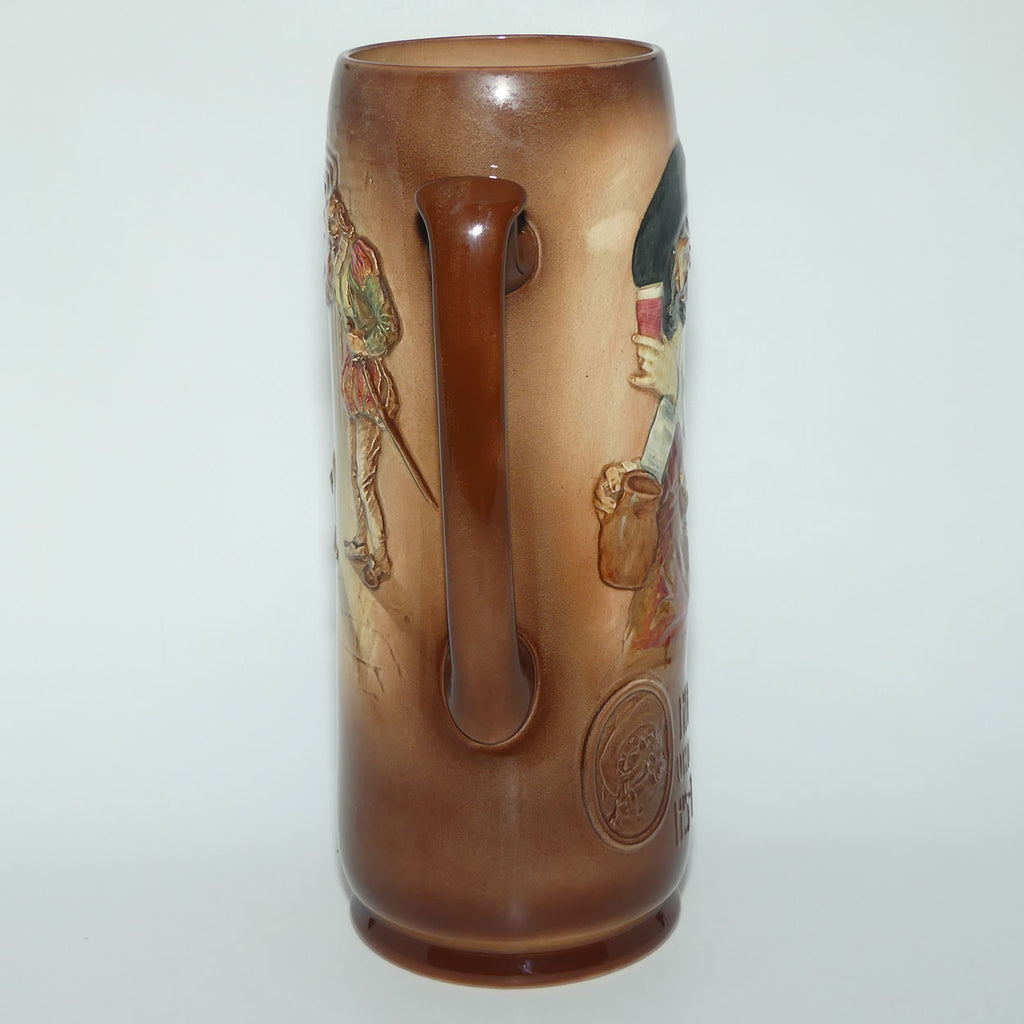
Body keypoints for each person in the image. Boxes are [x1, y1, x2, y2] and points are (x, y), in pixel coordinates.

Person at [326, 185, 402, 590]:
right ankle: (359, 541)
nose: (331, 224)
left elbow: (389, 324)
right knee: (354, 472)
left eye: (334, 215)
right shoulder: (336, 258)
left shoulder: (359, 257)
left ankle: (382, 558)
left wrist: (366, 345)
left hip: (371, 386)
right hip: (351, 384)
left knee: (364, 478)